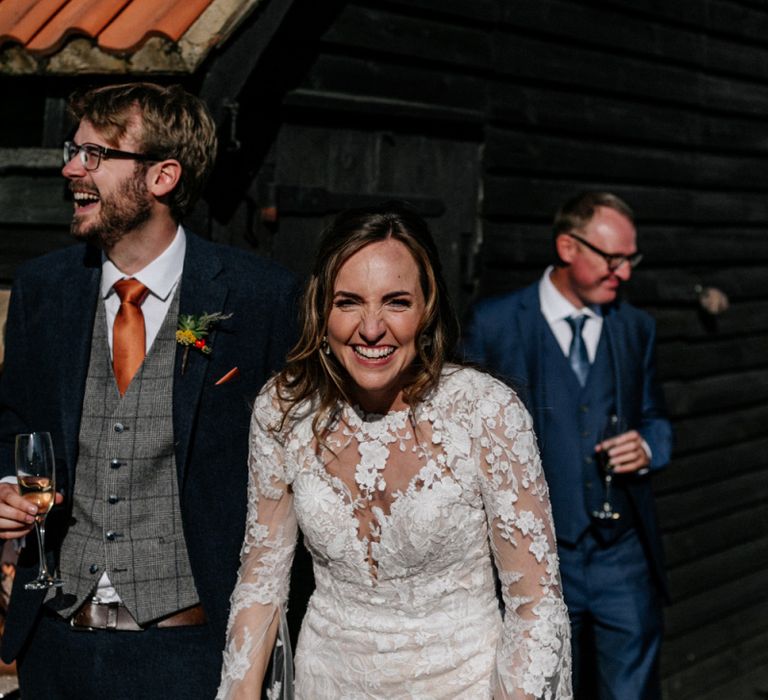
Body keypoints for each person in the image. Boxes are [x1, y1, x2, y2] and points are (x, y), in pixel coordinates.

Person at [0, 82, 296, 699]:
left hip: (189, 650)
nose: (71, 168)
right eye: (73, 151)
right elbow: (14, 421)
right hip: (55, 645)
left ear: (162, 176)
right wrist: (4, 483)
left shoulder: (259, 297)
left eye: (95, 155)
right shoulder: (42, 289)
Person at [217, 203, 572, 699]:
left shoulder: (485, 412)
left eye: (396, 302)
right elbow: (260, 585)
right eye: (349, 302)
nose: (371, 328)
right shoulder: (283, 410)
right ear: (322, 309)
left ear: (426, 310)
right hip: (326, 685)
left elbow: (535, 605)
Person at [462, 192, 672, 699]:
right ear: (567, 246)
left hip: (621, 554)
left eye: (630, 260)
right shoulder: (495, 323)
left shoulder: (635, 327)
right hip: (537, 559)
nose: (623, 273)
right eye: (613, 259)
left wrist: (648, 445)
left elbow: (656, 418)